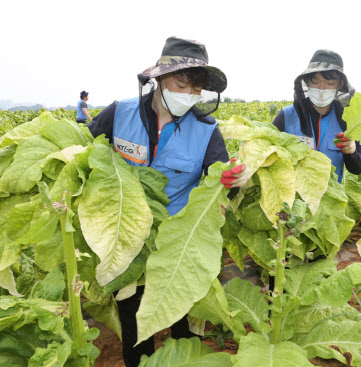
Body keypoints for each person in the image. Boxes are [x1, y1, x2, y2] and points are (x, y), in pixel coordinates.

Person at [86, 36, 249, 366]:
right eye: (181, 83)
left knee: (183, 321)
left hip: (178, 241)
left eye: (196, 87)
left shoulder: (206, 130)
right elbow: (83, 154)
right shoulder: (119, 114)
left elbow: (219, 179)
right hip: (127, 239)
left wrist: (234, 180)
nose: (188, 94)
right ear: (159, 79)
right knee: (133, 325)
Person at [272, 49, 361, 182]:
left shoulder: (347, 120)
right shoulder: (286, 116)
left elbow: (358, 168)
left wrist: (352, 152)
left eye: (330, 83)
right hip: (293, 200)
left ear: (340, 85)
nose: (322, 89)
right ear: (307, 81)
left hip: (330, 200)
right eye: (315, 82)